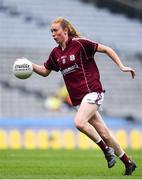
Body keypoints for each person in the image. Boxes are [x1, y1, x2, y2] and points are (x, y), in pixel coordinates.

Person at [32, 17, 137, 175]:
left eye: (56, 30)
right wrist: (29, 65)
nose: (53, 34)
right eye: (51, 31)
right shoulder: (55, 53)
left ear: (65, 30)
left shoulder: (80, 43)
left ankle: (106, 150)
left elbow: (106, 49)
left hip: (93, 92)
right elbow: (45, 72)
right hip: (80, 100)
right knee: (104, 133)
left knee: (79, 123)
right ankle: (128, 163)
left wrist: (122, 66)